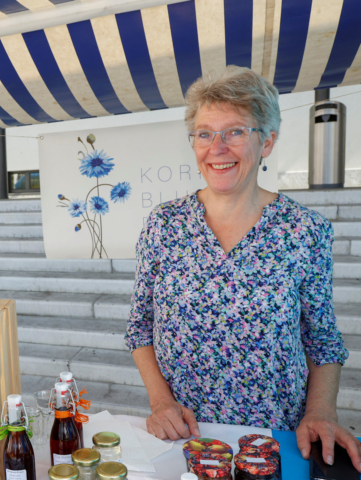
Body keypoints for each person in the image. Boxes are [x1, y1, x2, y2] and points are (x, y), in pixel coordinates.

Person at [125, 66, 361, 472]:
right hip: (184, 438)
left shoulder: (304, 231)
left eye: (234, 132)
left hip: (272, 442)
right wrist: (161, 402)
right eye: (204, 133)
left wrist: (321, 411)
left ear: (267, 141)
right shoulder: (164, 224)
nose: (216, 148)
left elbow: (322, 340)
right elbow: (139, 327)